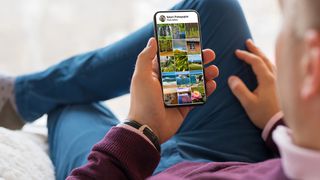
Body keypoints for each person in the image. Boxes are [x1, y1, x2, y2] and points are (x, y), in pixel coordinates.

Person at [0, 0, 318, 179]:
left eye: (285, 21)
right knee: (212, 8)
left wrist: (139, 130)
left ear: (310, 68)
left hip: (142, 171)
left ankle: (24, 95)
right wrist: (280, 120)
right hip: (248, 160)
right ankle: (21, 95)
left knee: (70, 106)